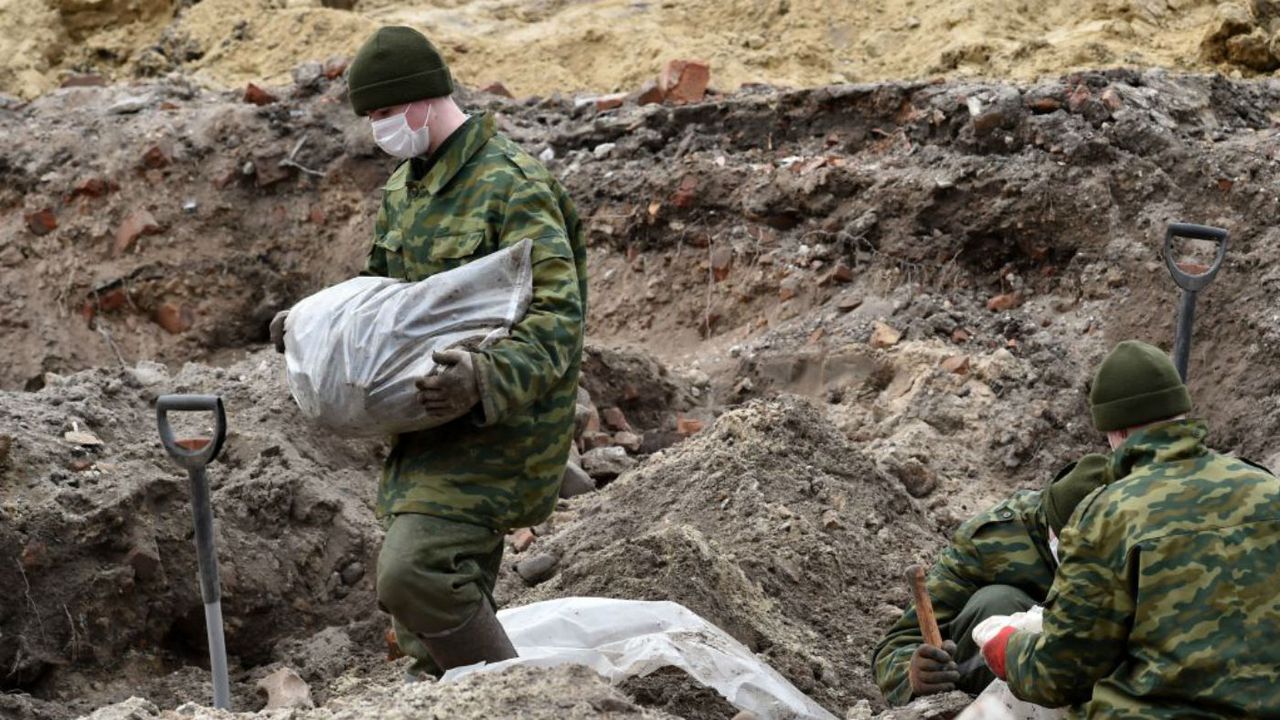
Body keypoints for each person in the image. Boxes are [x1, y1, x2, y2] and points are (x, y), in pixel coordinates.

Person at [271, 25, 587, 676]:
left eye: (387, 113)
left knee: (416, 572)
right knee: (421, 621)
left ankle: (519, 700)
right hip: (425, 421)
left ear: (425, 98)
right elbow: (379, 300)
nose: (380, 129)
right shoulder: (406, 190)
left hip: (500, 425)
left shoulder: (512, 184)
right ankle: (456, 691)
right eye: (373, 117)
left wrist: (484, 377)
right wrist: (307, 326)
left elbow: (561, 315)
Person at [980, 340, 1280, 717]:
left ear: (1116, 431)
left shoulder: (1108, 514)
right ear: (1183, 412)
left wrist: (1004, 646)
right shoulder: (1269, 489)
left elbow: (1060, 674)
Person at [872, 453, 1112, 705]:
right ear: (1055, 532)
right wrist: (915, 674)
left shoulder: (1145, 540)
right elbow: (896, 645)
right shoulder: (992, 545)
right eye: (1076, 552)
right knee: (996, 602)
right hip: (1008, 683)